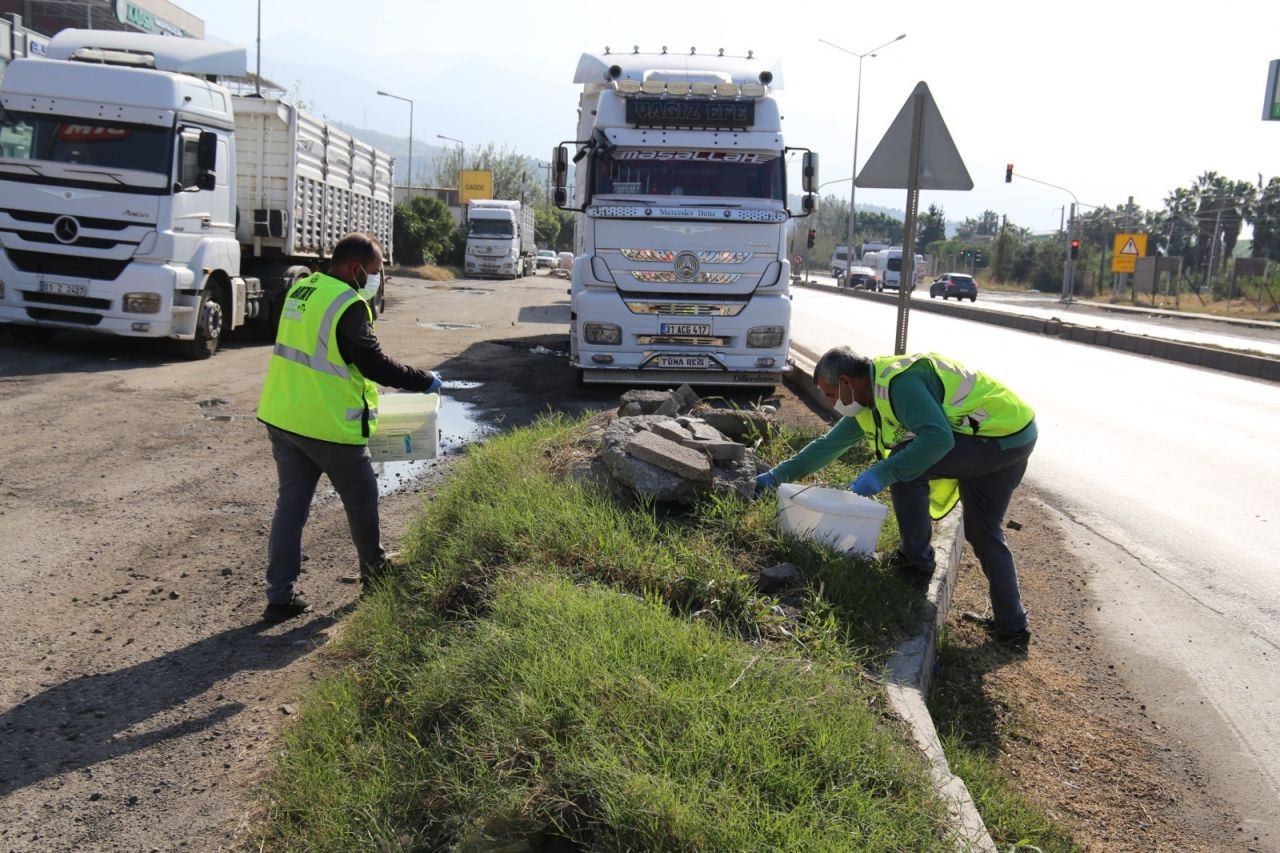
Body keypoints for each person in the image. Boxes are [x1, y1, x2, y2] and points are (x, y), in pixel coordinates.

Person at [757, 346, 1037, 646]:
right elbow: (827, 446)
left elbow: (937, 439)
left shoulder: (900, 385)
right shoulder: (868, 403)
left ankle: (915, 564)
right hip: (1015, 432)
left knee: (906, 464)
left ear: (846, 382)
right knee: (983, 531)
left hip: (998, 435)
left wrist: (883, 472)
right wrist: (775, 477)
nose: (832, 402)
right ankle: (1013, 627)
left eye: (830, 393)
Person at [256, 232, 441, 623]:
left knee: (290, 509)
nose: (376, 280)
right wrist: (423, 380)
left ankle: (279, 595)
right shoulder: (348, 305)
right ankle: (375, 573)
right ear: (356, 269)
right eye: (374, 273)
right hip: (328, 426)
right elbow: (373, 364)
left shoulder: (303, 291)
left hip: (284, 417)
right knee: (362, 498)